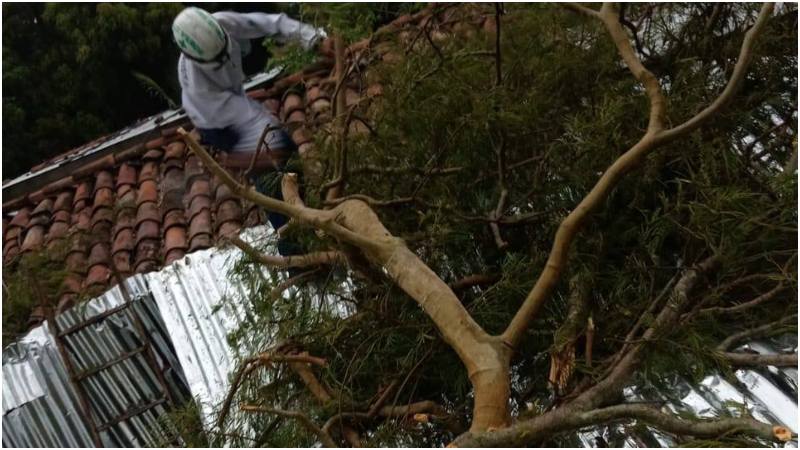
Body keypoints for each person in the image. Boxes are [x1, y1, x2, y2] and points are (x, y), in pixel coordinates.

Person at [172, 7, 326, 264]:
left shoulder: (222, 24)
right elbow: (240, 128)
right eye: (216, 59)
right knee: (271, 179)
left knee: (288, 158)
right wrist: (248, 157)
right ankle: (299, 259)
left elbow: (270, 22)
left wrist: (314, 39)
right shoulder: (201, 91)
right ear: (195, 60)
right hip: (219, 124)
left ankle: (313, 216)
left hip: (234, 94)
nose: (223, 59)